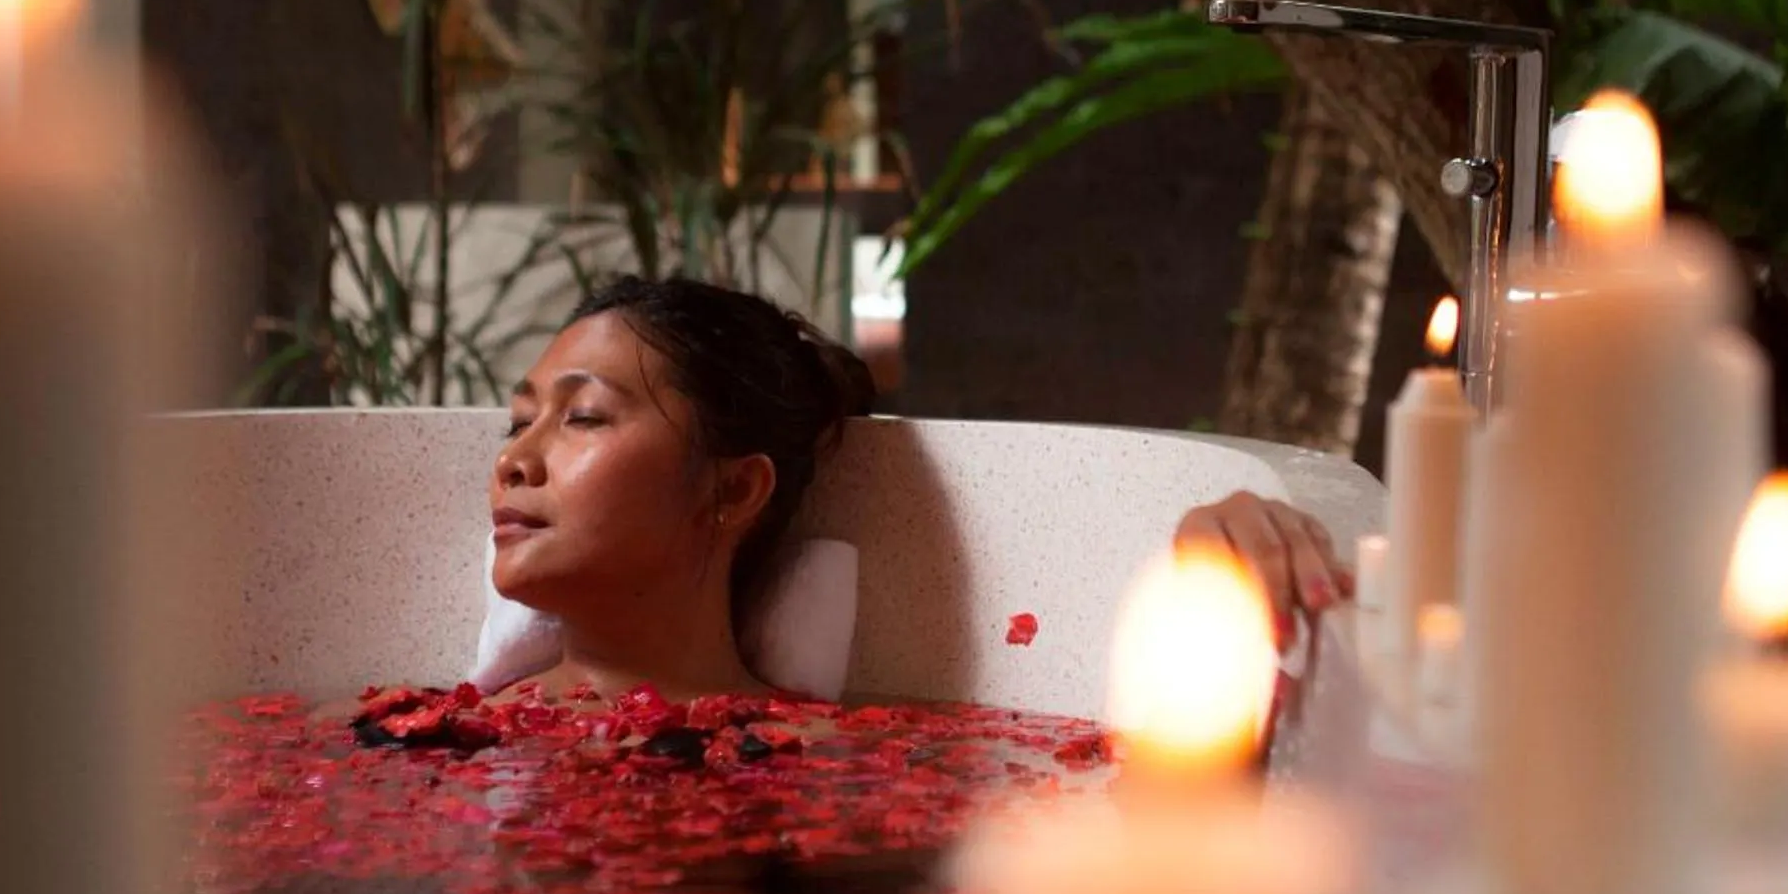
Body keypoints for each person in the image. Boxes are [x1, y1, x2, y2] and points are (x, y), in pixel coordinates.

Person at [488, 275, 1347, 701]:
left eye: (584, 418)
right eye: (517, 423)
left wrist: (1210, 574)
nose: (513, 461)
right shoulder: (398, 739)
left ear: (739, 489)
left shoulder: (840, 778)